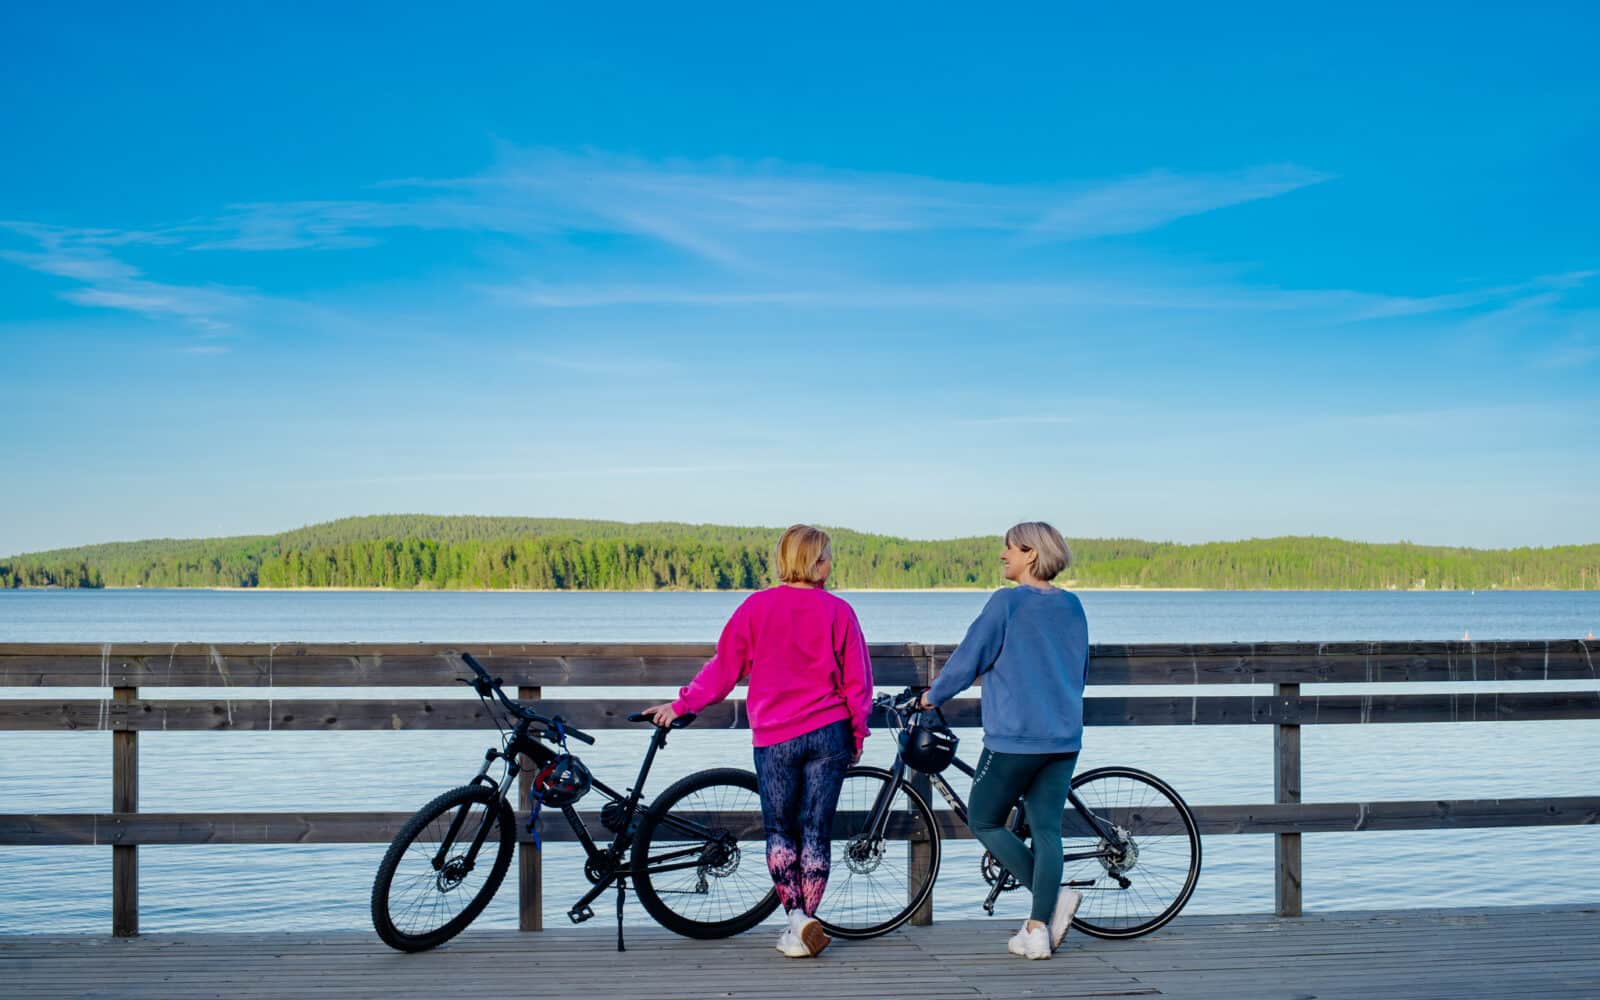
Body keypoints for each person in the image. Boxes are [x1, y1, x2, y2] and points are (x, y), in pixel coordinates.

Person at [642, 524, 873, 958]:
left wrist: (683, 705)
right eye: (825, 557)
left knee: (780, 831)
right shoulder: (840, 612)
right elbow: (858, 682)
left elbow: (723, 668)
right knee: (816, 831)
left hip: (776, 737)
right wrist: (857, 731)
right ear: (812, 562)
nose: (830, 564)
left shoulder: (756, 608)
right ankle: (805, 924)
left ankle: (797, 922)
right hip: (829, 733)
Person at [916, 521, 1088, 959]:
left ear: (1031, 554)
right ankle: (1036, 929)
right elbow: (1079, 670)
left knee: (984, 820)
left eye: (1009, 548)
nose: (1003, 555)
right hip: (1064, 737)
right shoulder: (1072, 606)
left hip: (1014, 739)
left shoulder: (1006, 604)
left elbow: (967, 659)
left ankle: (1052, 904)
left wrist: (932, 696)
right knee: (1048, 831)